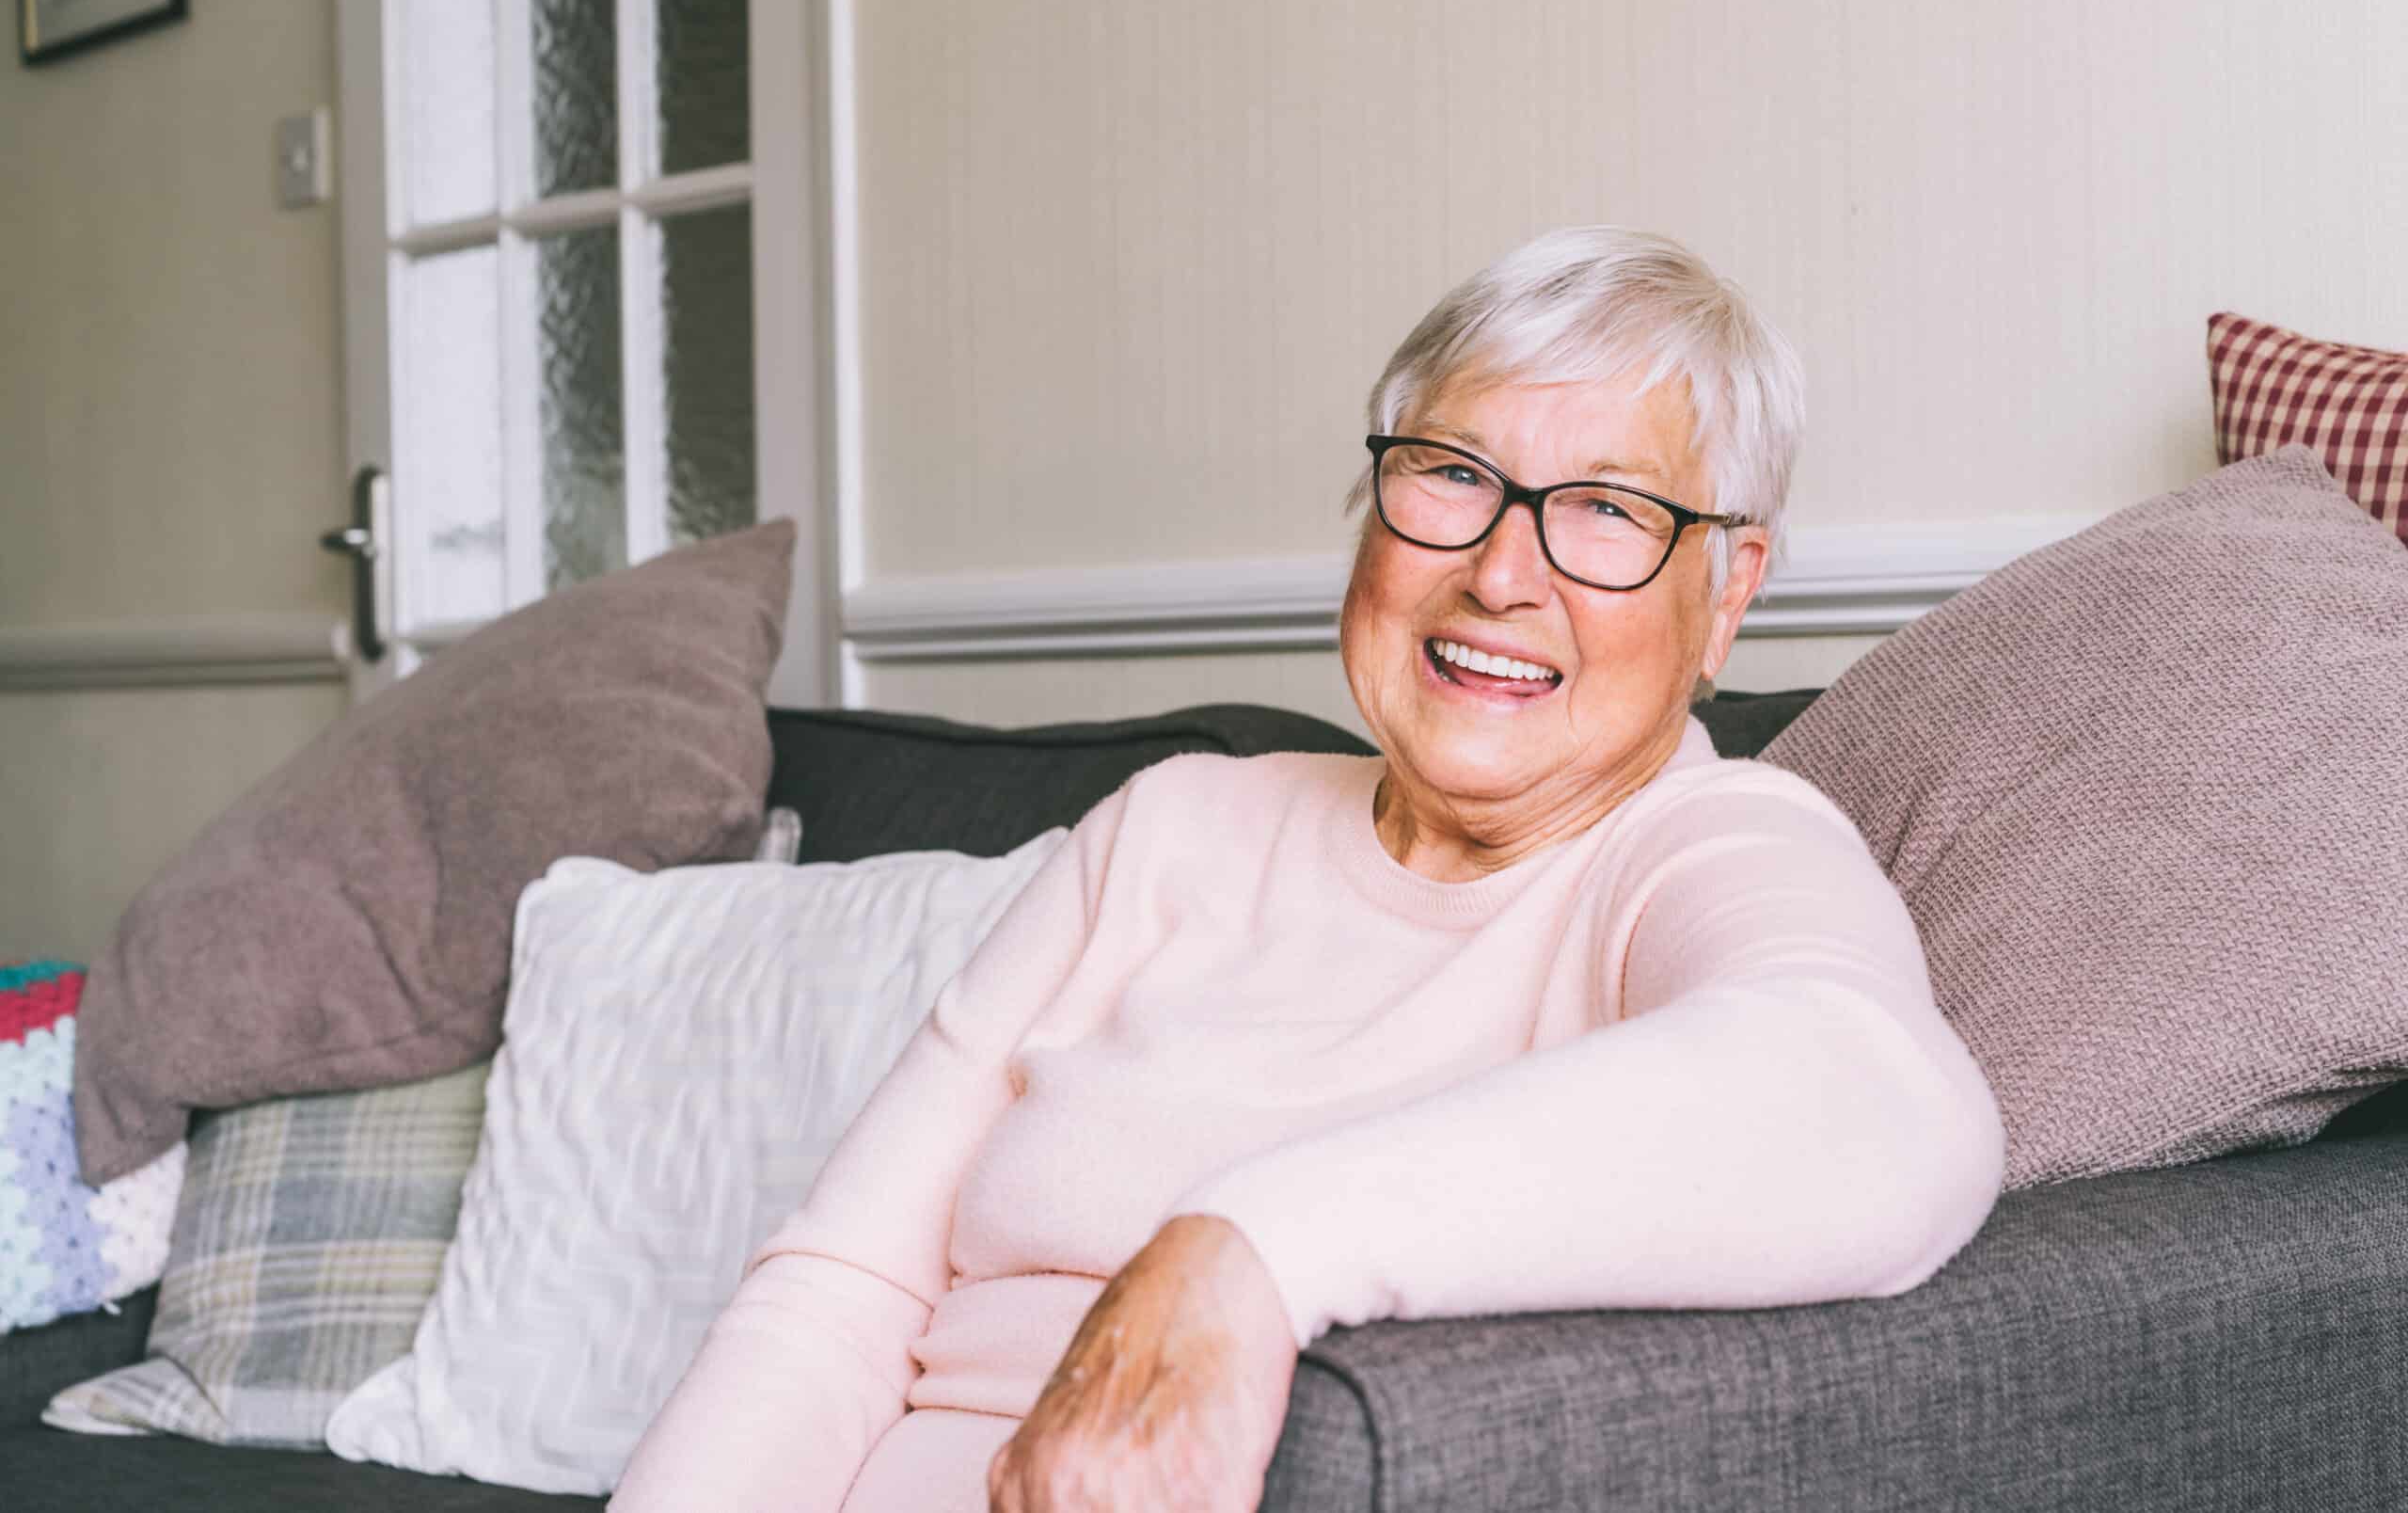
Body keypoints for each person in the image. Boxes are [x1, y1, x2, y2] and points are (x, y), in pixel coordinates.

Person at [610, 226, 2005, 1513]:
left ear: (1729, 594)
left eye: (1607, 511)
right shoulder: (1167, 829)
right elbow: (839, 1291)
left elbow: (1881, 1105)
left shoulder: (1704, 845)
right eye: (1453, 476)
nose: (1504, 574)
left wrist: (1250, 1241)